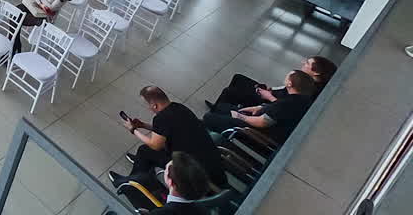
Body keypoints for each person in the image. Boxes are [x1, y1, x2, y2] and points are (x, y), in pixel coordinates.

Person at [110, 86, 226, 190]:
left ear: (154, 105)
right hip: (211, 162)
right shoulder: (179, 107)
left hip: (191, 171)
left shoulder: (161, 118)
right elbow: (167, 130)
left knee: (145, 150)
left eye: (148, 105)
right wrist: (143, 125)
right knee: (145, 153)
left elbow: (155, 145)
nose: (148, 108)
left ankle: (130, 184)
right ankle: (141, 168)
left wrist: (133, 130)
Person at [202, 70, 316, 141]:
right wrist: (259, 107)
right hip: (264, 116)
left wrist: (239, 115)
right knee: (222, 107)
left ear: (290, 84)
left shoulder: (286, 104)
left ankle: (211, 129)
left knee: (209, 117)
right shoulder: (301, 99)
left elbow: (261, 122)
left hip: (258, 131)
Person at [205, 56, 336, 111]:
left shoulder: (309, 90)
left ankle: (221, 109)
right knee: (239, 78)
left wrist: (268, 96)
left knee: (229, 91)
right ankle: (224, 106)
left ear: (317, 73)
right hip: (274, 96)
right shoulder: (306, 81)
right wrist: (271, 89)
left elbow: (286, 105)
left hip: (269, 104)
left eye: (307, 63)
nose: (303, 63)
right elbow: (286, 90)